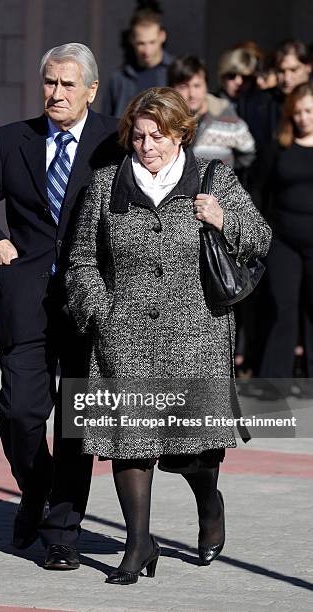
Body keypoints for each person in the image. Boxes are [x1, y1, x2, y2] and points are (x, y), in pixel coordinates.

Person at [65, 87, 271, 583]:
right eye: (138, 135)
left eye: (158, 135)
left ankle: (209, 501)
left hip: (197, 333)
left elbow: (260, 238)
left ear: (181, 133)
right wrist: (102, 312)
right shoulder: (106, 185)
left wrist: (222, 220)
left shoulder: (214, 179)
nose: (147, 145)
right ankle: (138, 544)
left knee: (188, 453)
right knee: (128, 442)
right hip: (126, 334)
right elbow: (81, 261)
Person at [0, 43, 120, 570]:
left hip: (89, 302)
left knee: (75, 423)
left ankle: (62, 532)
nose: (57, 93)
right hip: (25, 298)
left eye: (69, 84)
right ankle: (35, 488)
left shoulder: (115, 140)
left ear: (91, 91)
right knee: (20, 414)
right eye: (50, 82)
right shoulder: (12, 140)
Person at [250, 81, 313, 388]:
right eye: (298, 112)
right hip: (283, 238)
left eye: (309, 111)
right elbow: (258, 191)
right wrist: (261, 231)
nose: (303, 118)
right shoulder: (279, 147)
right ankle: (273, 383)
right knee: (282, 305)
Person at [168, 55, 255, 173]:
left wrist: (225, 174)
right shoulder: (164, 119)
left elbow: (249, 153)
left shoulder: (227, 115)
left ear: (206, 86)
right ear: (172, 89)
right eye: (184, 87)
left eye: (197, 85)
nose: (192, 93)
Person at [103, 8, 173, 117]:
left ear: (162, 36)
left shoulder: (175, 71)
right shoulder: (119, 78)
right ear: (132, 39)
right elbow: (107, 119)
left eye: (152, 42)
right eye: (141, 43)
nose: (147, 50)